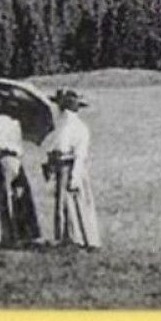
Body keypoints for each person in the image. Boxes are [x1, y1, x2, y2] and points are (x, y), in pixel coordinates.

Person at [0, 91, 43, 247]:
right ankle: (20, 234)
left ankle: (2, 235)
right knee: (17, 196)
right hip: (15, 162)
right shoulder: (15, 124)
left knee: (0, 198)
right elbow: (19, 147)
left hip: (1, 161)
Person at [44, 88, 101, 249]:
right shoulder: (62, 126)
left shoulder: (77, 127)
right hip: (63, 166)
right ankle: (65, 237)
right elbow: (57, 148)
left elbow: (79, 155)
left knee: (74, 202)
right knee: (63, 203)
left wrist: (75, 177)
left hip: (72, 166)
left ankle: (79, 238)